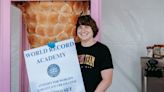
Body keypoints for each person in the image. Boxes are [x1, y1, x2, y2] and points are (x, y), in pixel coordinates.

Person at [75, 15, 114, 92]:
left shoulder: (102, 50)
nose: (83, 30)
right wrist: (52, 48)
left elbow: (107, 80)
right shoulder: (73, 48)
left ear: (93, 29)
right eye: (80, 27)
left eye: (86, 27)